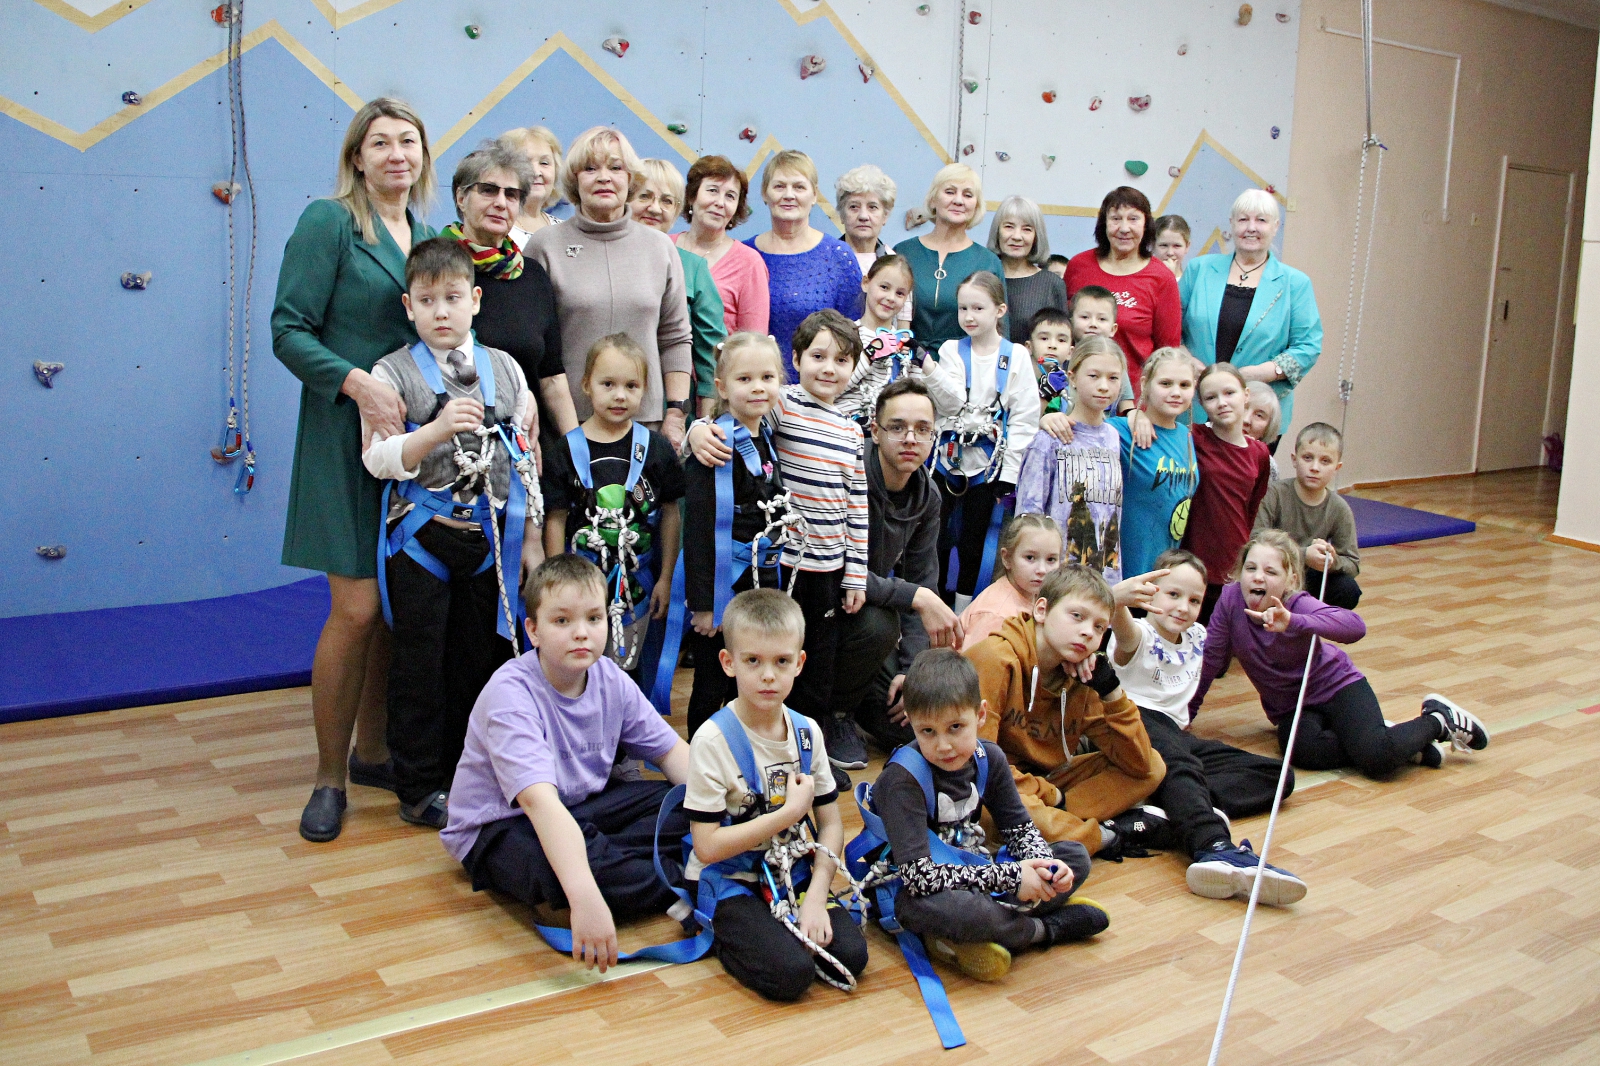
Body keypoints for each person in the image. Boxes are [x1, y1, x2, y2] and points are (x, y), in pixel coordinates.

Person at [272, 98, 437, 842]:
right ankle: (327, 777)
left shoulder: (429, 237)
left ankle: (374, 755)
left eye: (409, 142)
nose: (397, 154)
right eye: (381, 143)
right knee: (358, 609)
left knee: (395, 606)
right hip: (343, 435)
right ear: (357, 158)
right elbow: (288, 329)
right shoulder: (330, 222)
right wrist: (356, 383)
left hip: (412, 445)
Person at [361, 236, 542, 828]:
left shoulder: (506, 370)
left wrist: (531, 539)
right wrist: (434, 432)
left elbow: (527, 457)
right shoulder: (390, 372)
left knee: (476, 661)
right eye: (427, 300)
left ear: (476, 300)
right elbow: (377, 459)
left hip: (488, 541)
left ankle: (467, 774)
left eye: (453, 298)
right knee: (419, 664)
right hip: (422, 537)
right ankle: (417, 785)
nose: (441, 311)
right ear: (408, 306)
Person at [441, 555, 693, 974]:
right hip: (503, 825)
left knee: (686, 802)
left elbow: (672, 753)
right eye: (562, 621)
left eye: (594, 618)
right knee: (556, 871)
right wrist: (585, 898)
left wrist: (731, 812)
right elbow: (539, 805)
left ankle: (617, 868)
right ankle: (680, 876)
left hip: (580, 810)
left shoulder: (611, 678)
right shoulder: (510, 694)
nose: (581, 633)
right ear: (533, 631)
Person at [687, 311, 869, 759]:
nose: (758, 387)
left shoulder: (850, 430)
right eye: (818, 356)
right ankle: (702, 765)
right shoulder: (778, 409)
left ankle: (796, 754)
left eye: (841, 360)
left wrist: (856, 573)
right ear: (797, 360)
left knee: (803, 665)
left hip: (808, 569)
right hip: (754, 574)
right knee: (722, 674)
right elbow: (699, 527)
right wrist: (696, 429)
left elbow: (857, 505)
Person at [868, 648, 1107, 982]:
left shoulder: (989, 757)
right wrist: (1012, 878)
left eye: (955, 727)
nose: (943, 745)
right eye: (927, 731)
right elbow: (920, 878)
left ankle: (991, 929)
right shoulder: (901, 781)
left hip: (978, 870)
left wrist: (1043, 867)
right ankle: (1042, 930)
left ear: (980, 715)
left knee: (1075, 855)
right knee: (961, 910)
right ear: (911, 721)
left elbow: (1020, 830)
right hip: (915, 888)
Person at [682, 589, 869, 1001]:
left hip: (790, 868)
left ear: (799, 663)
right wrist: (787, 815)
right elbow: (707, 846)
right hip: (730, 876)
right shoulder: (712, 740)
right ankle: (724, 930)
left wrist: (817, 895)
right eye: (753, 661)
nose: (768, 675)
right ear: (728, 663)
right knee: (790, 974)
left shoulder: (806, 732)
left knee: (852, 955)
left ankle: (783, 922)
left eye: (781, 662)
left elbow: (831, 826)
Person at [1191, 531, 1490, 778]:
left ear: (1290, 580)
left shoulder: (1298, 604)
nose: (1258, 577)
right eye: (1251, 568)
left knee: (1376, 760)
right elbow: (1211, 660)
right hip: (1295, 707)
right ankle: (1395, 741)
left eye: (1271, 572)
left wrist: (1294, 621)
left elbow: (1356, 627)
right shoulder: (1230, 600)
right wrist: (1187, 714)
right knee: (1303, 752)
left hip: (1337, 687)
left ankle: (1437, 720)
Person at [1106, 550, 1307, 905]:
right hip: (1130, 721)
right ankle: (1213, 846)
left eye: (1194, 600)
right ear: (1151, 592)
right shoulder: (1138, 635)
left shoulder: (1198, 635)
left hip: (1172, 733)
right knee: (1181, 766)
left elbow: (1236, 613)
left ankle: (1165, 815)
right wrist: (1116, 600)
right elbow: (1122, 626)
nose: (1183, 607)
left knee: (1279, 778)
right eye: (1173, 594)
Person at [966, 566, 1166, 849]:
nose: (1087, 632)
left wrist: (1111, 691)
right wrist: (1050, 796)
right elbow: (978, 762)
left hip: (1048, 786)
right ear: (1042, 610)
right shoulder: (995, 658)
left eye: (1099, 627)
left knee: (1153, 766)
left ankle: (1062, 829)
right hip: (994, 786)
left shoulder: (1082, 673)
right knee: (1001, 812)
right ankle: (1107, 836)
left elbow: (1139, 763)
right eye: (1077, 616)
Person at [525, 126, 693, 448]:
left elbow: (675, 337)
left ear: (630, 178)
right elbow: (534, 346)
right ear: (574, 179)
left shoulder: (660, 248)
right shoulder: (544, 245)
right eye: (590, 168)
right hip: (567, 426)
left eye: (615, 167)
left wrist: (675, 413)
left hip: (645, 425)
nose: (604, 177)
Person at [830, 378, 958, 768]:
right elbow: (833, 568)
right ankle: (833, 715)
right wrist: (914, 596)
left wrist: (912, 669)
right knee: (880, 623)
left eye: (922, 429)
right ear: (875, 430)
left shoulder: (927, 495)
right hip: (824, 608)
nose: (910, 439)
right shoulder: (847, 473)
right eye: (898, 427)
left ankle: (857, 703)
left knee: (909, 726)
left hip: (863, 607)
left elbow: (923, 578)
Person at [542, 334, 684, 670]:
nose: (620, 395)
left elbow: (670, 513)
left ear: (645, 389)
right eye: (608, 384)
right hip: (579, 590)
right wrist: (556, 584)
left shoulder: (657, 450)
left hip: (638, 589)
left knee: (626, 672)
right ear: (586, 385)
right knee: (579, 670)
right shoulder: (564, 451)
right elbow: (556, 519)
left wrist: (665, 578)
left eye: (631, 386)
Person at [682, 333, 791, 736]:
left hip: (758, 582)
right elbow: (697, 531)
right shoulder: (714, 446)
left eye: (767, 377)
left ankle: (740, 751)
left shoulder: (766, 435)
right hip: (721, 586)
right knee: (712, 679)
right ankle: (698, 758)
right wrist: (704, 603)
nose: (758, 387)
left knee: (744, 679)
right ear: (722, 387)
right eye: (745, 379)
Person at [445, 142, 577, 463]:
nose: (501, 203)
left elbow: (552, 378)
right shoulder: (436, 265)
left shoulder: (531, 274)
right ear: (461, 197)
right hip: (457, 443)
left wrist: (578, 450)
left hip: (526, 445)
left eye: (512, 195)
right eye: (488, 190)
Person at [923, 271, 1040, 608]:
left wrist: (1009, 474)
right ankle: (934, 604)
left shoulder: (1016, 357)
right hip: (946, 461)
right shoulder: (951, 351)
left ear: (1000, 311)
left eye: (978, 308)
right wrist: (929, 370)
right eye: (963, 309)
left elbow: (1024, 418)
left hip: (988, 467)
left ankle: (963, 611)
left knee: (973, 541)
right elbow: (951, 402)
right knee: (937, 537)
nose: (969, 316)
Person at [1179, 189, 1324, 438]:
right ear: (1232, 224)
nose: (1251, 228)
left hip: (1256, 414)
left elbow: (1308, 346)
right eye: (1243, 219)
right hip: (1194, 405)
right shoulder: (1198, 269)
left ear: (1276, 227)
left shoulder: (1295, 283)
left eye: (1261, 220)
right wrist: (1188, 361)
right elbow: (1169, 327)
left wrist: (1254, 375)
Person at [1016, 335, 1127, 583]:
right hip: (1056, 579)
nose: (1103, 386)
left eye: (1113, 378)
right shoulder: (1050, 437)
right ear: (1073, 377)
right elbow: (1027, 514)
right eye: (1094, 376)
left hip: (1103, 579)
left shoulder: (1113, 437)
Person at [745, 150, 863, 367]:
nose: (789, 195)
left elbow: (854, 336)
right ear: (764, 193)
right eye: (779, 186)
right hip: (755, 380)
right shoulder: (744, 255)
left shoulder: (838, 256)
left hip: (820, 383)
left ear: (814, 195)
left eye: (799, 187)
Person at [630, 158, 728, 418]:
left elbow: (711, 359)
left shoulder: (693, 267)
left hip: (670, 410)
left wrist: (707, 423)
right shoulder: (603, 257)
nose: (654, 208)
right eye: (644, 196)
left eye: (667, 201)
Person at [1064, 187, 1181, 400]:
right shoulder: (1078, 266)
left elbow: (1167, 353)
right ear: (1103, 223)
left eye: (1133, 219)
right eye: (1116, 219)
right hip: (1077, 398)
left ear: (1146, 224)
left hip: (1135, 402)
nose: (1124, 228)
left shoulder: (1161, 277)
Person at [1182, 363, 1273, 624]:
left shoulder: (1259, 453)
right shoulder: (1193, 437)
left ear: (1246, 395)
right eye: (1211, 397)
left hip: (1233, 562)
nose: (1222, 403)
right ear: (1201, 404)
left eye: (1229, 393)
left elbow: (1250, 510)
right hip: (1194, 559)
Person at [894, 164, 1007, 351]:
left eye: (968, 195)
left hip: (966, 364)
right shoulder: (904, 252)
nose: (959, 200)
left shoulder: (988, 262)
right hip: (908, 360)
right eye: (950, 192)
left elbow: (1000, 333)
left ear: (976, 206)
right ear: (933, 199)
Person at [1255, 423, 1362, 609]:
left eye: (1325, 461)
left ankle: (1314, 622)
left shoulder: (1339, 508)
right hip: (1272, 572)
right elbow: (1255, 539)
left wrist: (1331, 561)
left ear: (1337, 467)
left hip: (1311, 577)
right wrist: (1304, 555)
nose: (1314, 467)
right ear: (1294, 459)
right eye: (1307, 458)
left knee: (1348, 589)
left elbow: (1352, 563)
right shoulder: (1273, 494)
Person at [677, 155, 770, 367]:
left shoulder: (749, 263)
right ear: (692, 196)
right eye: (712, 191)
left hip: (720, 378)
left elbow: (753, 346)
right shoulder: (665, 248)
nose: (720, 202)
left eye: (730, 196)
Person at [1117, 348, 1200, 579]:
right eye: (1165, 383)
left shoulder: (1185, 435)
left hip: (1164, 574)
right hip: (1127, 572)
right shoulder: (1123, 430)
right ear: (1145, 384)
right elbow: (1083, 427)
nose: (1176, 392)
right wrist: (1051, 418)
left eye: (1184, 385)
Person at [958, 514, 1062, 650]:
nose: (1042, 570)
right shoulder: (997, 615)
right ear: (1007, 558)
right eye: (1030, 557)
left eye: (1051, 559)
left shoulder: (1035, 595)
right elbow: (976, 661)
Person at [837, 254, 917, 425]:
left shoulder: (904, 343)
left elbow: (918, 395)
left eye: (900, 293)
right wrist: (869, 354)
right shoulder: (844, 335)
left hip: (888, 432)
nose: (891, 298)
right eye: (884, 287)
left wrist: (921, 360)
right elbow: (832, 389)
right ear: (866, 283)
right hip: (845, 428)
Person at [988, 196, 1067, 346]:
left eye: (1027, 229)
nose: (1017, 236)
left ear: (1037, 236)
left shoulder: (1052, 284)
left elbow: (1062, 343)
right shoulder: (983, 278)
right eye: (1009, 227)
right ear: (997, 232)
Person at [499, 126, 563, 248]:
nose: (536, 172)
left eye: (544, 163)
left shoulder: (566, 231)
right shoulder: (495, 228)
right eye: (525, 163)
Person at [835, 163, 899, 274]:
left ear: (885, 216)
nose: (863, 216)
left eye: (872, 207)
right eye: (854, 207)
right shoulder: (825, 259)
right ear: (841, 214)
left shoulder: (894, 266)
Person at [1244, 380, 1284, 479]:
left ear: (1268, 428)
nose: (1246, 420)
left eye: (1259, 415)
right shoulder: (1206, 441)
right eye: (1243, 408)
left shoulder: (1267, 465)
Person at [1153, 214, 1191, 280]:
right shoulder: (1144, 281)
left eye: (1177, 246)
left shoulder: (1191, 283)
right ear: (1152, 245)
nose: (1170, 253)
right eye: (1164, 245)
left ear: (1187, 246)